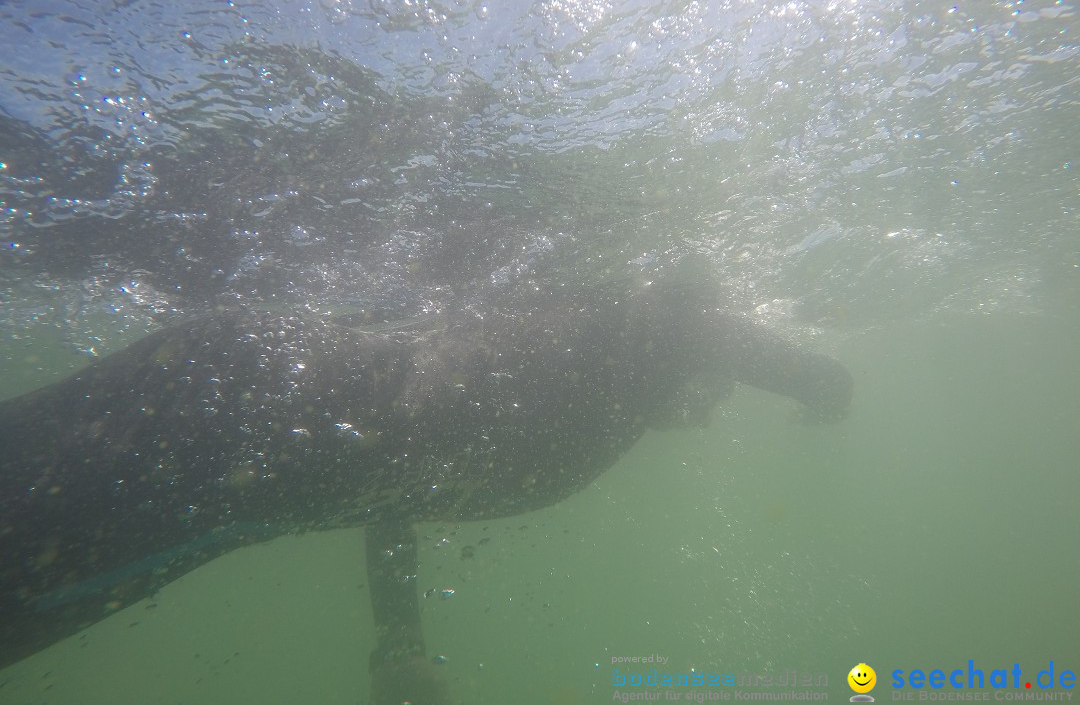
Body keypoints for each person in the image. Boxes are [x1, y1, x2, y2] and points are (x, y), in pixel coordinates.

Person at [0, 273, 852, 704]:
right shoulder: (624, 348)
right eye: (711, 394)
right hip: (245, 422)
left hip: (241, 443)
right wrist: (819, 379)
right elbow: (694, 320)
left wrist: (400, 641)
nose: (707, 416)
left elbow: (391, 498)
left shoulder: (581, 394)